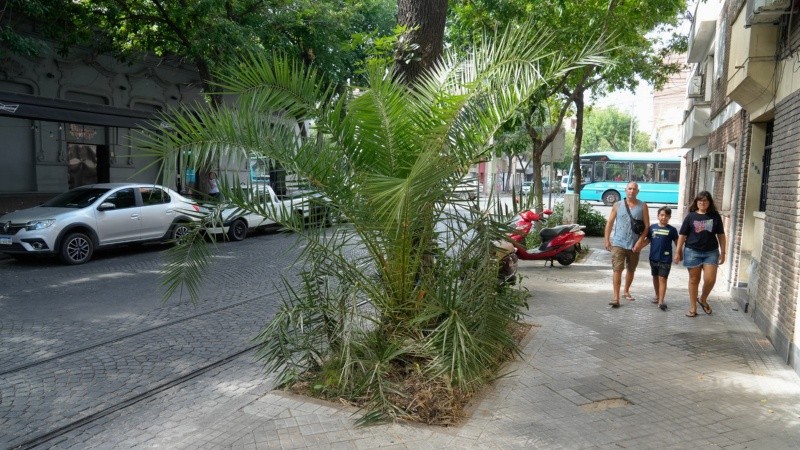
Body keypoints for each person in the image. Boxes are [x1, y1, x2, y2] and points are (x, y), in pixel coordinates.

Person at [674, 191, 727, 317]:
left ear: (709, 203)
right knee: (694, 280)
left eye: (705, 201)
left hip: (711, 252)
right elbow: (682, 235)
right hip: (692, 251)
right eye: (700, 201)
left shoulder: (715, 216)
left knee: (710, 279)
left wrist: (723, 252)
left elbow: (721, 235)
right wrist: (678, 251)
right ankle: (693, 307)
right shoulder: (691, 216)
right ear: (696, 202)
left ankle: (703, 298)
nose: (702, 203)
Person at [604, 182, 650, 307]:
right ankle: (615, 298)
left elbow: (647, 227)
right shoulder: (617, 205)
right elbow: (609, 223)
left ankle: (626, 291)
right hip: (618, 243)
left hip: (634, 245)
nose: (631, 191)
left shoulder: (643, 206)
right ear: (625, 190)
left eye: (634, 189)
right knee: (617, 269)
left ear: (637, 191)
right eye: (629, 189)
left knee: (631, 269)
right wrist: (607, 239)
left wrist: (640, 242)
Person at [640, 206, 678, 311]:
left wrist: (679, 253)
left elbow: (677, 242)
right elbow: (648, 240)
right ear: (658, 216)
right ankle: (657, 295)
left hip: (666, 259)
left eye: (666, 216)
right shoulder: (652, 228)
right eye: (662, 215)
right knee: (655, 277)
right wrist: (638, 247)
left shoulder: (672, 230)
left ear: (669, 217)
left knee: (663, 278)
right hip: (653, 258)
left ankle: (661, 301)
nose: (664, 217)